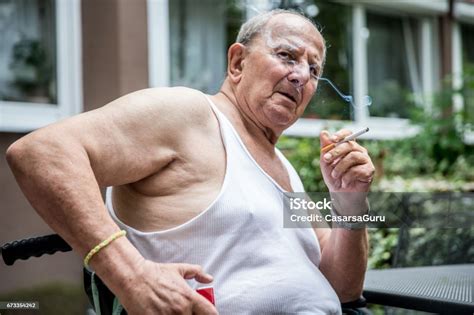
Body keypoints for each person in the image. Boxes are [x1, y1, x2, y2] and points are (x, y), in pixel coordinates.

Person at [6, 9, 374, 315]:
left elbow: (341, 287)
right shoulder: (192, 114)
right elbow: (42, 153)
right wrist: (130, 275)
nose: (300, 76)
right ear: (237, 62)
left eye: (314, 69)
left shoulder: (281, 164)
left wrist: (350, 200)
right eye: (287, 56)